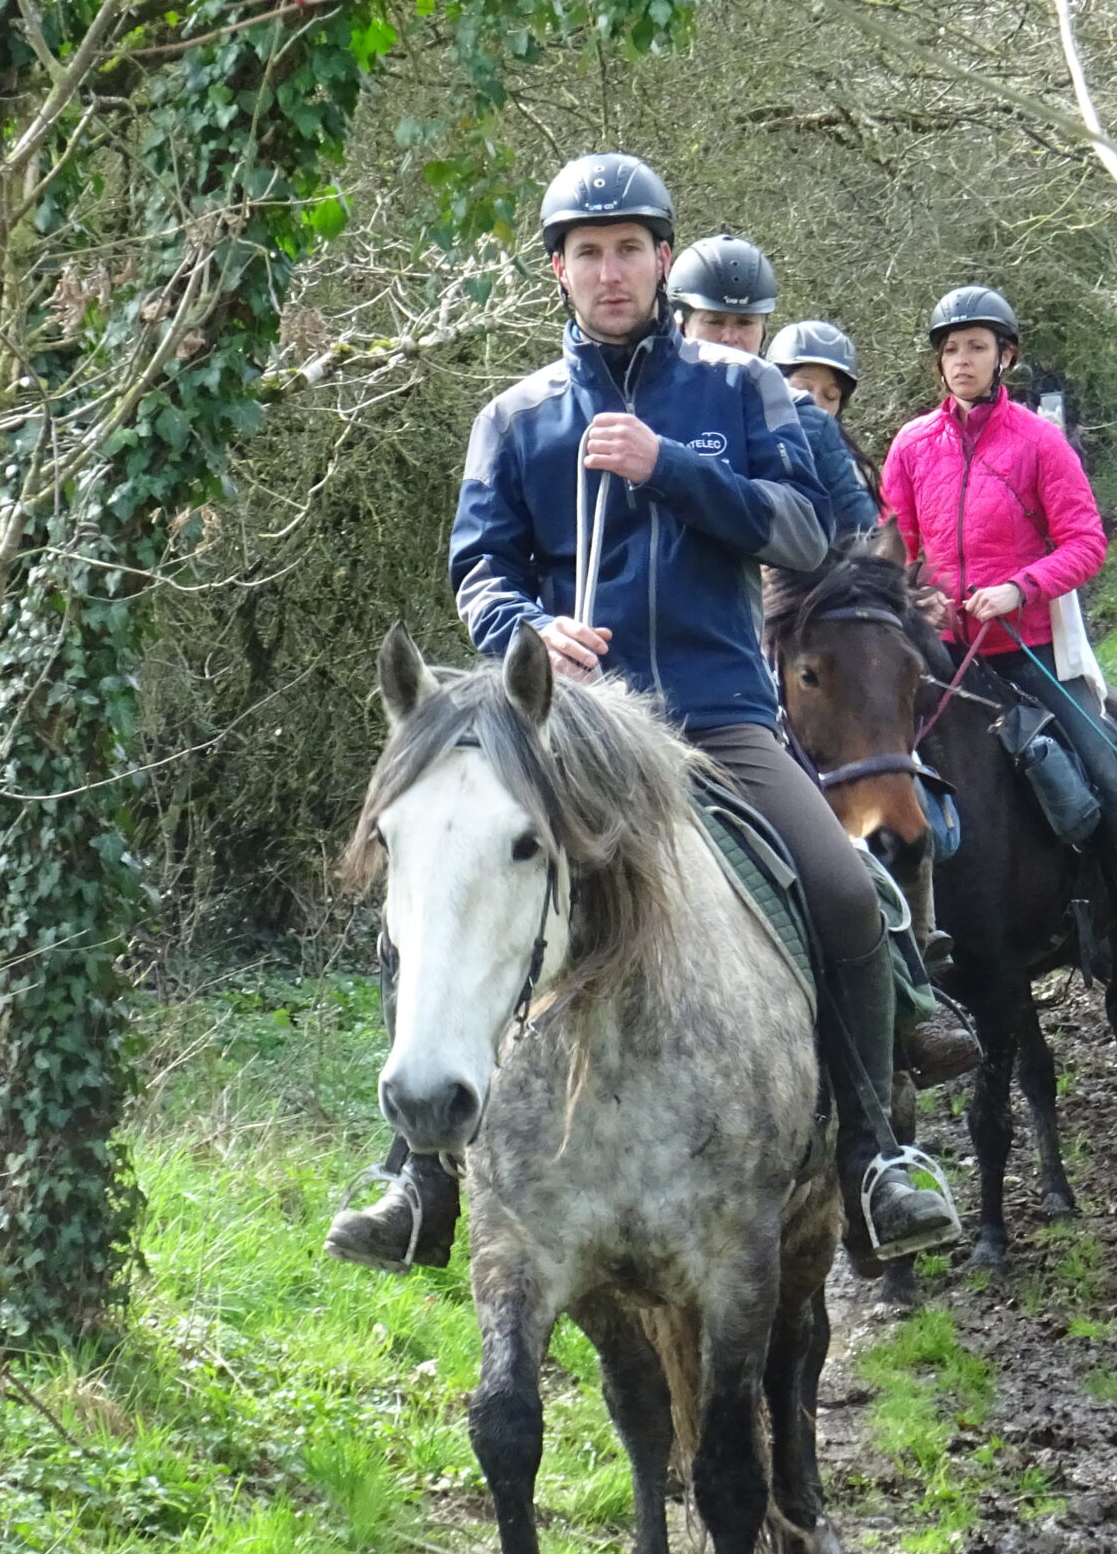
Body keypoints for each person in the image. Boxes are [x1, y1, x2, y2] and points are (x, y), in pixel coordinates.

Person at [325, 154, 961, 1277]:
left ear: (664, 261)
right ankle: (416, 1174)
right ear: (558, 271)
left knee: (843, 888)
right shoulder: (515, 417)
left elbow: (806, 534)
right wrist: (527, 629)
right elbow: (480, 566)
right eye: (588, 253)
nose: (610, 271)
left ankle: (873, 1157)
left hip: (719, 722)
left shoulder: (741, 391)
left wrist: (669, 468)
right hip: (571, 734)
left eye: (629, 249)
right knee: (436, 882)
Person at [881, 285, 1117, 977]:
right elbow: (895, 547)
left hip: (1028, 652)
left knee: (1105, 767)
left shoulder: (1039, 443)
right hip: (943, 657)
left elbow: (1086, 542)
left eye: (977, 347)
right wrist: (919, 597)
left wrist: (1019, 588)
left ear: (1005, 357)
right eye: (951, 349)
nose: (962, 360)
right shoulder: (911, 446)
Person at [667, 235, 879, 541]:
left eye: (745, 323)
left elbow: (861, 537)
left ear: (764, 331)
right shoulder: (647, 406)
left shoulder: (808, 423)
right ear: (680, 325)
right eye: (714, 321)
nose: (729, 338)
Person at [766, 320, 878, 503]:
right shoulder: (744, 448)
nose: (815, 403)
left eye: (830, 396)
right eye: (802, 390)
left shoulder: (853, 472)